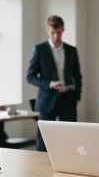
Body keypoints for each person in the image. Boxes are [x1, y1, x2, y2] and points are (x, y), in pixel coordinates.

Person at [27, 15, 82, 152]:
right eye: (53, 33)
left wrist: (76, 96)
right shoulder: (39, 49)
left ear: (63, 29)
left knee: (71, 140)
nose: (56, 36)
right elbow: (30, 76)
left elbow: (78, 76)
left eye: (58, 32)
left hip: (68, 100)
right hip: (46, 100)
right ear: (47, 30)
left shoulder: (71, 50)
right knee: (43, 142)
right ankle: (40, 172)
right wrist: (50, 84)